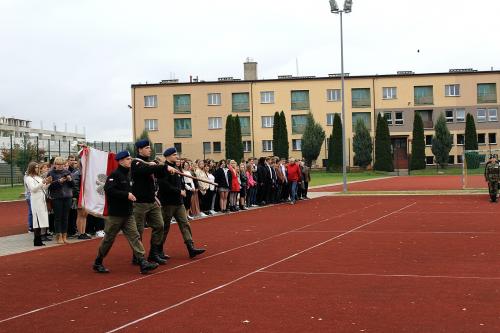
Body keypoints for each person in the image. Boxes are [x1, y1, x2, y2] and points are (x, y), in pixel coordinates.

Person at [92, 151, 159, 274]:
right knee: (108, 239)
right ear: (121, 161)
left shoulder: (129, 174)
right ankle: (98, 261)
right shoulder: (115, 175)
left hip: (128, 214)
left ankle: (142, 262)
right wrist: (126, 195)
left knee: (135, 237)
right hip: (116, 215)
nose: (130, 161)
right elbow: (109, 189)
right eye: (128, 159)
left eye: (130, 158)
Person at [157, 147, 206, 259]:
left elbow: (180, 182)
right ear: (168, 156)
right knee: (165, 227)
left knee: (185, 224)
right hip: (168, 203)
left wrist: (181, 190)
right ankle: (158, 250)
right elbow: (164, 185)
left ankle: (191, 248)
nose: (176, 156)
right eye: (174, 155)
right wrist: (179, 191)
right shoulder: (163, 168)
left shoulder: (176, 168)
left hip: (179, 203)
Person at [131, 139, 173, 265]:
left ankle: (153, 254)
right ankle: (137, 256)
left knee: (160, 226)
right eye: (147, 147)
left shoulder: (149, 163)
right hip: (140, 203)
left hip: (152, 201)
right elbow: (146, 170)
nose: (150, 149)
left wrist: (169, 170)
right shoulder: (136, 163)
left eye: (150, 147)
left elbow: (159, 174)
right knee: (138, 231)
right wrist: (164, 166)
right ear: (140, 149)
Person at [48, 156, 74, 244]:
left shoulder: (68, 172)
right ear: (55, 164)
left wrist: (70, 180)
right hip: (57, 197)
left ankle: (64, 236)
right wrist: (59, 182)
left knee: (65, 217)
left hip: (68, 197)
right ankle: (58, 236)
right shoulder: (51, 173)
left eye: (61, 164)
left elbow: (72, 185)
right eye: (58, 164)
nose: (60, 166)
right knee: (58, 217)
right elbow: (50, 187)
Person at [24, 162, 52, 246]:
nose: (37, 169)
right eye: (36, 167)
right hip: (36, 199)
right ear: (32, 168)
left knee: (42, 219)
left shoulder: (37, 177)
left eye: (37, 167)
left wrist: (48, 182)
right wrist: (42, 182)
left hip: (41, 199)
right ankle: (37, 240)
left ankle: (38, 239)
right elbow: (33, 189)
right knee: (37, 219)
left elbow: (43, 187)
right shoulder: (28, 178)